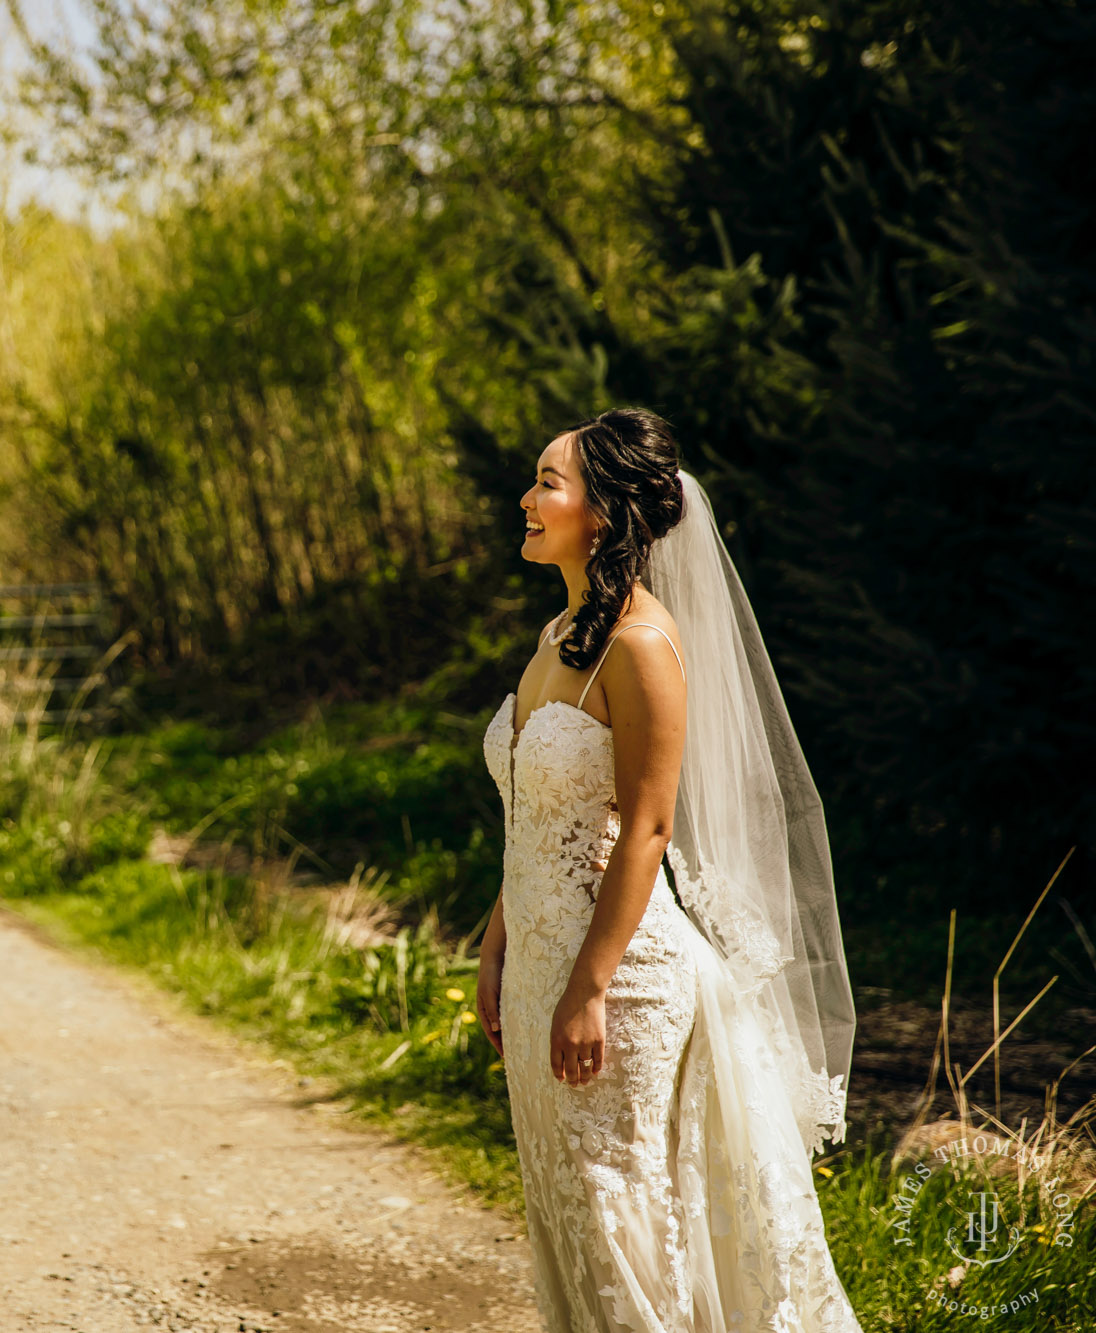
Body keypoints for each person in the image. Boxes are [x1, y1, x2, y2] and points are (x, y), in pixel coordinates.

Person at [476, 408, 862, 1331]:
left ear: (603, 513)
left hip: (620, 978)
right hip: (536, 964)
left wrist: (590, 987)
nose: (527, 499)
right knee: (565, 1204)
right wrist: (495, 943)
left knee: (622, 1205)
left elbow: (646, 829)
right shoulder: (555, 636)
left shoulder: (642, 647)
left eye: (548, 482)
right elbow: (534, 819)